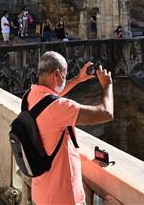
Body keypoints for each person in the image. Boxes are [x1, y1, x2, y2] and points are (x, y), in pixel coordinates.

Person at [28, 52, 114, 205]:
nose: (65, 78)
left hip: (40, 190)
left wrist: (78, 79)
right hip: (63, 196)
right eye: (65, 75)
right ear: (56, 74)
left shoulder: (30, 95)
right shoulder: (59, 107)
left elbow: (52, 96)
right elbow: (106, 113)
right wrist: (108, 86)